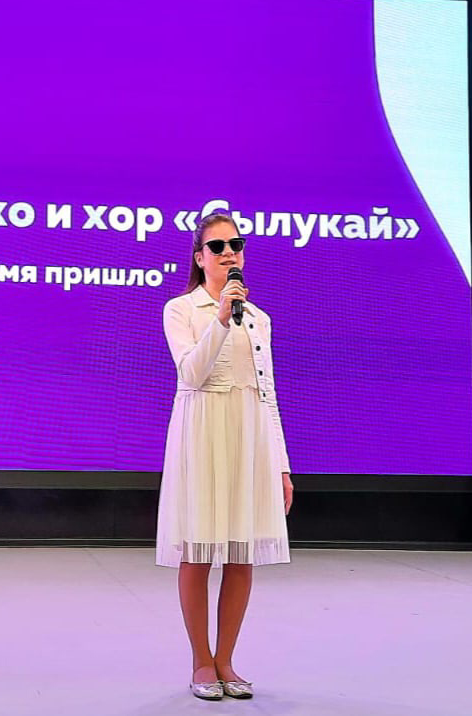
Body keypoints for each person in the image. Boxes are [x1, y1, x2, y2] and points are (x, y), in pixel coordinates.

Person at [156, 212, 293, 701]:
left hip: (248, 435)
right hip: (202, 432)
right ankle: (201, 661)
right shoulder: (181, 309)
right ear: (200, 257)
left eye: (236, 244)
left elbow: (267, 394)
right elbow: (191, 374)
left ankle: (227, 661)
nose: (229, 252)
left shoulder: (259, 319)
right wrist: (219, 316)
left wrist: (281, 464)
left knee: (241, 552)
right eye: (217, 246)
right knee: (197, 551)